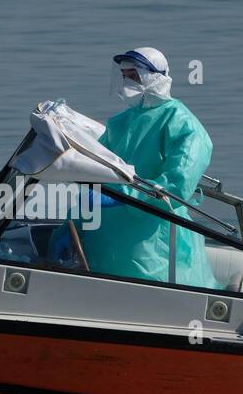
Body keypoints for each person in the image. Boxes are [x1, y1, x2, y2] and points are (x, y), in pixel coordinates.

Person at [78, 47, 218, 288]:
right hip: (107, 239)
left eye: (133, 75)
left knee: (151, 294)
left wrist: (125, 195)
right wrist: (72, 223)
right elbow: (94, 168)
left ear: (155, 76)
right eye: (123, 76)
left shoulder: (182, 124)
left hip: (155, 243)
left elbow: (177, 186)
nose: (126, 82)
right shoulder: (119, 123)